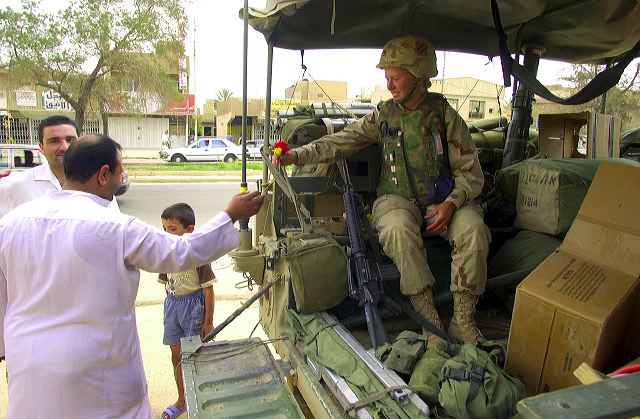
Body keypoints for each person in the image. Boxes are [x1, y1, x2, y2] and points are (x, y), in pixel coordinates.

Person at [0, 134, 264, 418]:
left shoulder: (11, 223)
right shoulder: (117, 227)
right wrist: (230, 214)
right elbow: (181, 252)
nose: (123, 174)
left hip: (30, 372)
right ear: (103, 174)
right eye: (120, 168)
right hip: (100, 380)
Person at [275, 36, 491, 345]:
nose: (389, 85)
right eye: (386, 77)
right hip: (396, 200)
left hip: (443, 201)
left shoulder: (444, 116)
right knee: (396, 228)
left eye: (396, 77)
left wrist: (453, 204)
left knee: (474, 229)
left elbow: (470, 173)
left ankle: (462, 321)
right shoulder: (384, 116)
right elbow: (343, 140)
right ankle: (429, 320)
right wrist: (297, 154)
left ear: (418, 76)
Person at [158, 203, 217, 419]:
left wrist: (208, 321)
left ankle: (200, 400)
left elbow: (208, 290)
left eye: (172, 229)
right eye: (164, 229)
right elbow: (166, 282)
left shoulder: (197, 255)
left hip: (194, 308)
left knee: (193, 356)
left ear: (189, 230)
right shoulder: (166, 254)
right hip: (173, 306)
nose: (167, 234)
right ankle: (182, 399)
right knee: (176, 356)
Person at [0, 115, 119, 218]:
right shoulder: (16, 185)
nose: (65, 147)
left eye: (70, 140)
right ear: (41, 147)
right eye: (55, 141)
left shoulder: (98, 182)